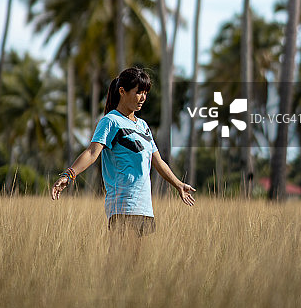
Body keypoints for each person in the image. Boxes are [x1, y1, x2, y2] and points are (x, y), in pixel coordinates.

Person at [51, 66, 195, 237]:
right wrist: (69, 175)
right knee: (120, 261)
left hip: (145, 207)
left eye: (145, 93)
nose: (143, 98)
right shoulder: (110, 121)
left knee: (139, 263)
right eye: (139, 92)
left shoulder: (143, 126)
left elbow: (157, 161)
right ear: (122, 91)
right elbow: (91, 153)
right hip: (123, 205)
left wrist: (178, 185)